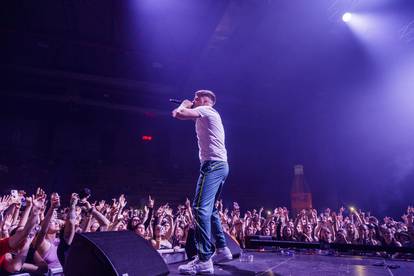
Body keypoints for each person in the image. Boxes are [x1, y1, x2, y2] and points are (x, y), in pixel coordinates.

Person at [172, 90, 232, 274]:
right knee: (211, 209)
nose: (193, 99)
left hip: (212, 166)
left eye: (196, 97)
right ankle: (222, 249)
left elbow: (178, 114)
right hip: (221, 165)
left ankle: (204, 259)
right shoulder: (208, 115)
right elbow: (190, 117)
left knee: (199, 208)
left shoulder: (207, 110)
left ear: (206, 101)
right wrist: (190, 106)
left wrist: (184, 104)